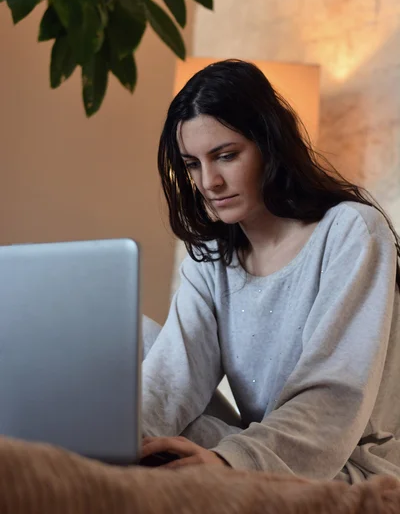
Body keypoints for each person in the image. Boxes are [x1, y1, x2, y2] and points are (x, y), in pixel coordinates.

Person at [140, 59, 400, 483]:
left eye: (225, 156)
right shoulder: (211, 255)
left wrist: (228, 461)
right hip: (257, 447)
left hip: (346, 465)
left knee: (171, 443)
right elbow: (173, 377)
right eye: (192, 164)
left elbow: (332, 398)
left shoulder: (352, 232)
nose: (209, 182)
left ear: (270, 146)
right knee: (129, 340)